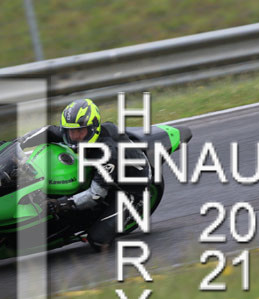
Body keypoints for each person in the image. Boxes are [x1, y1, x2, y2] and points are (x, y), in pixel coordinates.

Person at [11, 98, 153, 251]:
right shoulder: (73, 135)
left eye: (80, 131)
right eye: (71, 131)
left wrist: (59, 204)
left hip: (132, 187)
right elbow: (48, 131)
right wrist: (17, 143)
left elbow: (95, 195)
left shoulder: (107, 154)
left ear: (92, 129)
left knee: (98, 241)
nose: (75, 136)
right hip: (106, 172)